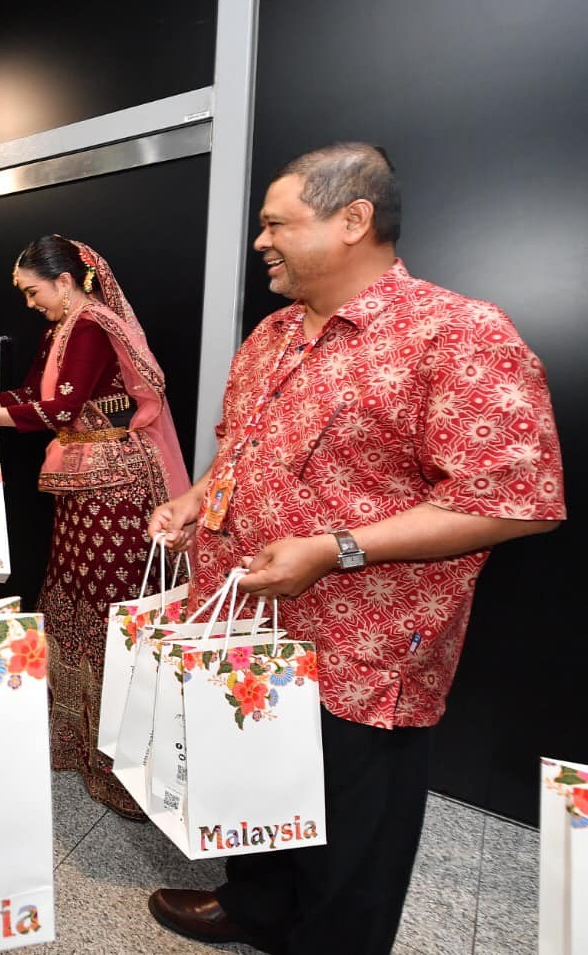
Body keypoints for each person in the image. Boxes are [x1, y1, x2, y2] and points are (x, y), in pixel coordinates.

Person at [144, 144, 564, 955]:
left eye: (276, 223)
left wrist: (334, 549)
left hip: (363, 645)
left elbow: (519, 501)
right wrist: (196, 501)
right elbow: (241, 445)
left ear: (353, 220)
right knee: (253, 773)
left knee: (353, 823)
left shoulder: (459, 333)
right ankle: (257, 905)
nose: (261, 239)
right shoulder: (270, 334)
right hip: (246, 618)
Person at [0, 235, 189, 817]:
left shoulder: (92, 325)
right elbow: (34, 393)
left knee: (106, 612)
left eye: (33, 291)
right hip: (82, 492)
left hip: (116, 494)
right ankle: (73, 744)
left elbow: (60, 410)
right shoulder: (60, 328)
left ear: (66, 281)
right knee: (71, 604)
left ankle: (116, 763)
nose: (29, 304)